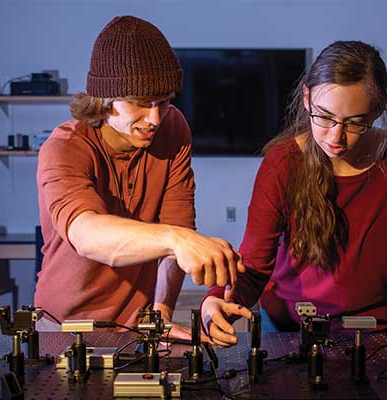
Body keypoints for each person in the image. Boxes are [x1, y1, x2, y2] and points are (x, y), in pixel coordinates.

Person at [201, 40, 387, 375]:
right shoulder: (283, 162)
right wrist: (217, 300)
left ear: (377, 111)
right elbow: (255, 264)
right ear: (307, 98)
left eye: (355, 122)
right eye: (324, 118)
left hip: (368, 330)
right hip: (285, 329)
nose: (336, 137)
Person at [35, 16, 244, 338]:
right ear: (105, 100)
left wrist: (160, 313)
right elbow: (87, 235)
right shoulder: (65, 146)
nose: (155, 118)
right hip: (61, 325)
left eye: (165, 102)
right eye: (141, 104)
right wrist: (176, 240)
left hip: (136, 327)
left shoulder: (173, 128)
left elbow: (179, 226)